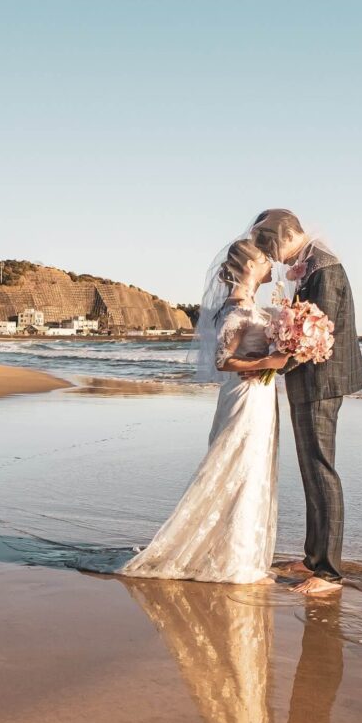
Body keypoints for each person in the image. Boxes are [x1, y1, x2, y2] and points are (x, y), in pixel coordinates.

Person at [121, 237, 289, 583]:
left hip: (260, 396)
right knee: (239, 468)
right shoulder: (235, 307)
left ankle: (242, 553)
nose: (272, 265)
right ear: (249, 267)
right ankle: (234, 560)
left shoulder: (252, 306)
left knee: (253, 470)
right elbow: (222, 360)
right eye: (265, 260)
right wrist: (271, 359)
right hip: (245, 397)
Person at [249, 208, 362, 595]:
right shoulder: (310, 263)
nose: (275, 259)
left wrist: (276, 360)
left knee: (320, 470)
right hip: (308, 380)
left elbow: (320, 333)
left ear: (285, 237)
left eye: (272, 249)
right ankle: (313, 556)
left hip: (322, 381)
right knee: (310, 471)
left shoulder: (324, 267)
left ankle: (329, 572)